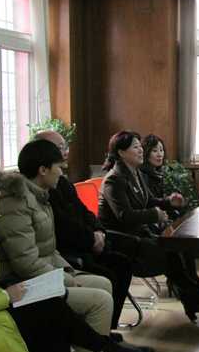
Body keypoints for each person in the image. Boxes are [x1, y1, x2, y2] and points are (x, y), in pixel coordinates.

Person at [0, 159, 154, 352]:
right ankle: (104, 349)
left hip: (2, 297)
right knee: (54, 316)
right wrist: (5, 295)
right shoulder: (3, 215)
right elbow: (20, 265)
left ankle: (104, 350)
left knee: (55, 319)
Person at [98, 131, 199, 322]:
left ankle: (197, 299)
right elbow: (125, 216)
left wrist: (169, 202)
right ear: (121, 152)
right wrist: (154, 214)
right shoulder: (114, 179)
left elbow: (148, 201)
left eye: (140, 146)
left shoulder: (135, 173)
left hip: (138, 236)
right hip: (120, 242)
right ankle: (197, 299)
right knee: (169, 252)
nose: (141, 150)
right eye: (136, 147)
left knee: (174, 248)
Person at [35, 130, 133, 331]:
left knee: (124, 261)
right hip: (71, 251)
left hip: (86, 243)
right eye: (59, 148)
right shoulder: (42, 192)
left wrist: (98, 231)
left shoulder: (62, 181)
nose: (65, 152)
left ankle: (108, 329)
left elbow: (84, 211)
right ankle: (98, 333)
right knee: (109, 275)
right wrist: (92, 239)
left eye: (65, 147)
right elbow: (63, 228)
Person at [140, 134, 199, 290]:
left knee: (186, 233)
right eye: (155, 151)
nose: (160, 154)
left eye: (161, 150)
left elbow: (159, 201)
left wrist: (173, 203)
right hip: (150, 223)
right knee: (182, 237)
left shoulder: (155, 173)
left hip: (160, 218)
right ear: (146, 153)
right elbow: (148, 203)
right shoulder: (143, 175)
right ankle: (187, 281)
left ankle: (191, 278)